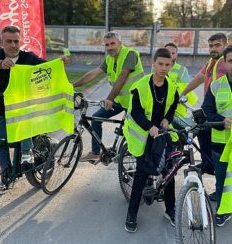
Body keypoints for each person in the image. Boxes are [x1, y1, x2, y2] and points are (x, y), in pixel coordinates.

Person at [0, 26, 69, 194]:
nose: (13, 45)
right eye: (8, 41)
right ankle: (6, 174)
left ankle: (28, 151)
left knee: (24, 124)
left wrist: (59, 63)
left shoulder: (28, 57)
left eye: (16, 41)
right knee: (0, 142)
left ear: (20, 42)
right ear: (1, 43)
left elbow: (47, 68)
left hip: (25, 111)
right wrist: (1, 64)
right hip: (3, 109)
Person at [123, 48, 179, 232]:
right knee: (141, 175)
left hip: (162, 134)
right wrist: (149, 126)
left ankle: (170, 210)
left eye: (167, 64)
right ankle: (131, 214)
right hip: (143, 135)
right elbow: (136, 112)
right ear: (153, 64)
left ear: (171, 65)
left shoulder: (171, 86)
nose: (164, 68)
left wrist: (167, 119)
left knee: (169, 171)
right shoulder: (140, 86)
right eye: (160, 64)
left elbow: (172, 105)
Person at [74, 31, 144, 162]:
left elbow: (123, 76)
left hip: (136, 102)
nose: (110, 47)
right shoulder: (109, 59)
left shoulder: (130, 54)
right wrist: (73, 85)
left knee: (134, 132)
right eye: (107, 45)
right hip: (120, 100)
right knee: (96, 118)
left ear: (120, 43)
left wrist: (110, 98)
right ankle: (96, 152)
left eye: (112, 43)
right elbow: (94, 73)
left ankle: (132, 157)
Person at [181, 33, 228, 199]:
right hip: (209, 107)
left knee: (219, 151)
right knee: (201, 132)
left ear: (225, 45)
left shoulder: (226, 63)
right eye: (210, 46)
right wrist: (182, 93)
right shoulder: (211, 63)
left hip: (222, 112)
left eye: (217, 45)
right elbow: (200, 77)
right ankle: (209, 164)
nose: (213, 49)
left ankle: (219, 183)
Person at [202, 45, 232, 227]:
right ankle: (223, 210)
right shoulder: (216, 85)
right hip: (220, 143)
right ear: (225, 63)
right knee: (221, 181)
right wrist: (221, 121)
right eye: (231, 61)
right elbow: (207, 111)